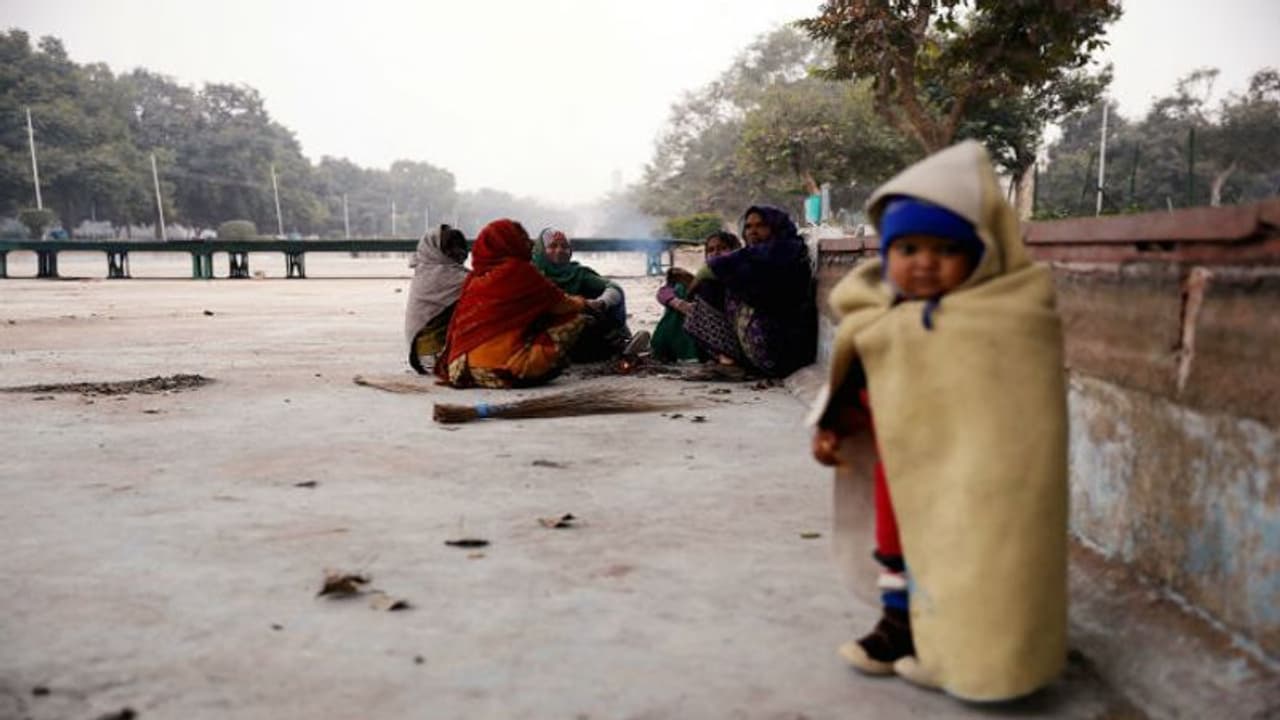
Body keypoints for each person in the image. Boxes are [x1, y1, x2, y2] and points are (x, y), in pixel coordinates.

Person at [809, 140, 1069, 702]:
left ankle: (980, 654)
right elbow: (858, 382)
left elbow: (1021, 408)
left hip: (981, 476)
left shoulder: (1011, 315)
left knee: (976, 554)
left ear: (982, 252)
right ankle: (901, 627)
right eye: (907, 247)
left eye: (944, 249)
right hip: (899, 468)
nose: (923, 262)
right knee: (897, 548)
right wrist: (835, 428)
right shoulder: (879, 314)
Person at [666, 206, 816, 378]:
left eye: (760, 225)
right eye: (748, 226)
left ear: (776, 227)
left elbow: (711, 270)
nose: (753, 231)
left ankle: (728, 363)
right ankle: (727, 361)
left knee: (710, 287)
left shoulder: (780, 253)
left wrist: (694, 285)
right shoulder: (765, 254)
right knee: (713, 286)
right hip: (770, 350)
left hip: (779, 352)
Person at [436, 219, 586, 389]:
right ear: (511, 242)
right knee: (575, 318)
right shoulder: (520, 271)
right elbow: (564, 305)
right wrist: (584, 302)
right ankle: (527, 368)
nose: (527, 243)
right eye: (522, 238)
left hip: (461, 370)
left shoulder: (475, 277)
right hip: (500, 372)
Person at [533, 227, 636, 362]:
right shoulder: (530, 275)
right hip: (542, 331)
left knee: (590, 323)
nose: (559, 251)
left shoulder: (577, 273)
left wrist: (601, 302)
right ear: (542, 251)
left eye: (564, 247)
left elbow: (614, 288)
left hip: (575, 330)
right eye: (552, 246)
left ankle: (619, 344)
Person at [651, 230, 741, 363]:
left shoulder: (743, 274)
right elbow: (663, 292)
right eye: (711, 250)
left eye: (723, 248)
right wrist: (679, 303)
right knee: (680, 291)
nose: (716, 253)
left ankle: (676, 352)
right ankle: (665, 349)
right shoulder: (706, 274)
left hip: (731, 336)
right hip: (706, 331)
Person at [404, 224, 469, 374]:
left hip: (421, 354)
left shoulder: (425, 269)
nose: (458, 253)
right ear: (435, 250)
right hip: (433, 354)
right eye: (450, 248)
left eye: (459, 247)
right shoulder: (443, 275)